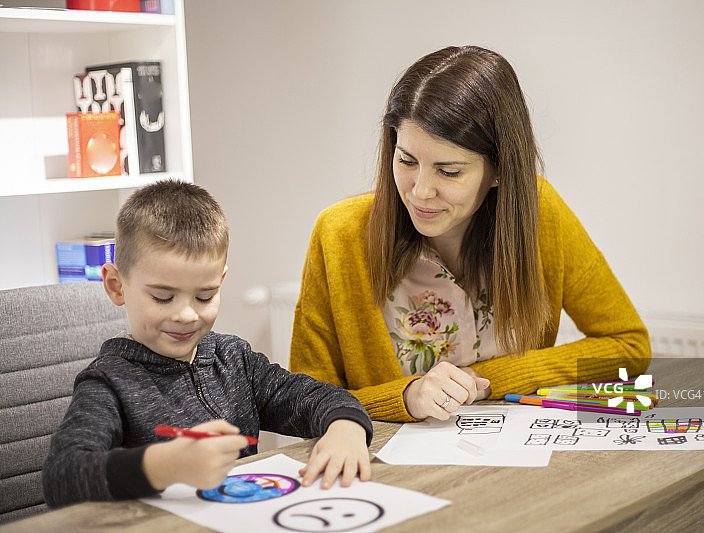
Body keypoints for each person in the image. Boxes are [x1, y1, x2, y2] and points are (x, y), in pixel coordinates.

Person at [289, 45, 651, 423]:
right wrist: (406, 397)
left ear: (500, 170)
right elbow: (303, 403)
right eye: (406, 160)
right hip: (384, 458)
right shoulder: (340, 235)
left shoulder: (541, 213)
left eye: (449, 171)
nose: (420, 191)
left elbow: (628, 345)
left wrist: (486, 379)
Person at [43, 180, 372, 508]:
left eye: (204, 296)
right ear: (117, 286)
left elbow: (315, 396)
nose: (186, 315)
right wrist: (163, 466)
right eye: (163, 297)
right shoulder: (109, 382)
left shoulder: (234, 360)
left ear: (221, 282)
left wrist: (346, 427)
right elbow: (62, 477)